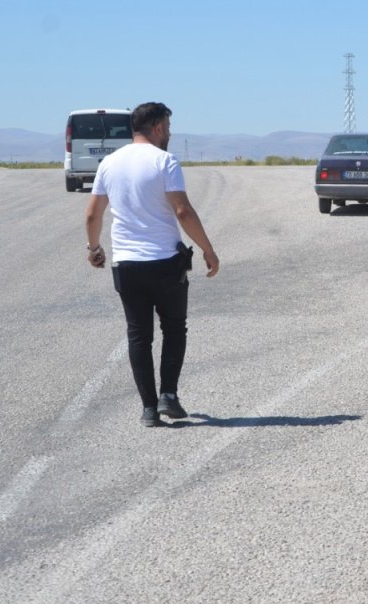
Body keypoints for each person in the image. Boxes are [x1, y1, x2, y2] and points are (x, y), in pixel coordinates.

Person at [84, 102, 220, 427]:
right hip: (164, 264)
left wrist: (94, 249)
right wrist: (208, 249)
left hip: (126, 265)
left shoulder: (109, 163)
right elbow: (182, 211)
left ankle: (148, 409)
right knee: (174, 329)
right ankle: (168, 396)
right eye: (169, 127)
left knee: (138, 336)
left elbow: (93, 214)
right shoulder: (165, 161)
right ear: (157, 127)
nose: (170, 134)